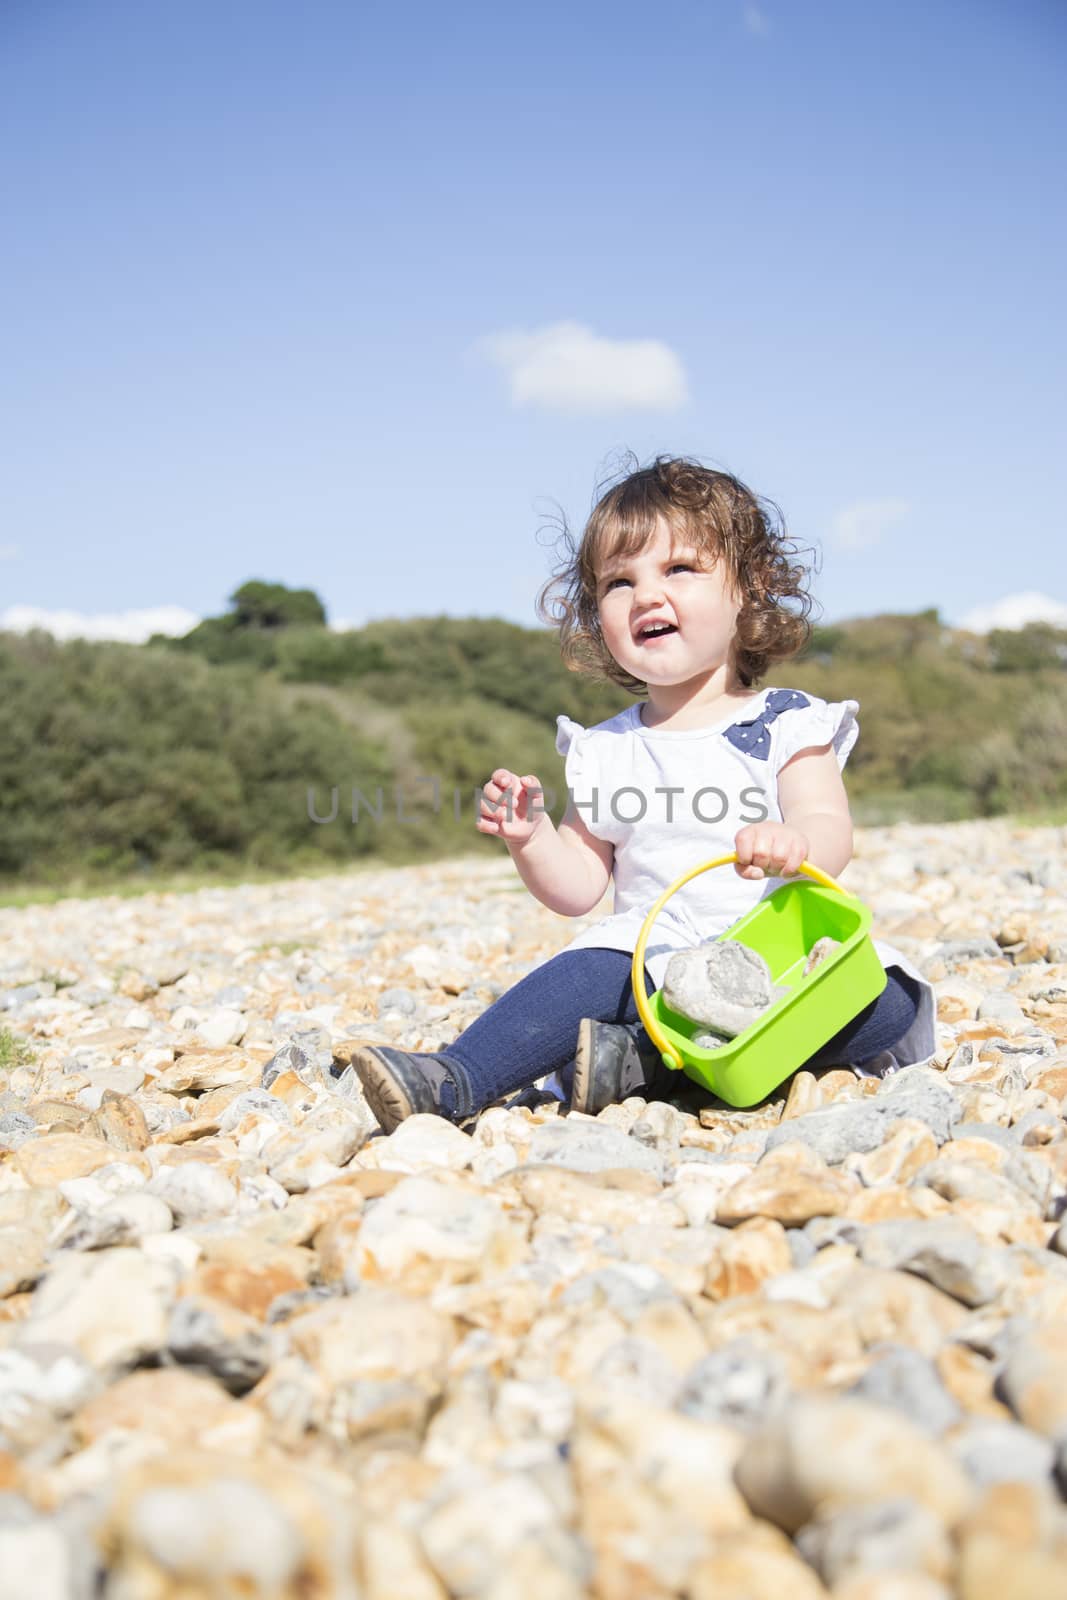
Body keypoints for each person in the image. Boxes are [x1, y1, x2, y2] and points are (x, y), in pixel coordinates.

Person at [353, 456, 935, 1132]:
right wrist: (532, 840)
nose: (645, 596)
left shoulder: (786, 720)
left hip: (775, 961)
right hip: (654, 960)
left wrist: (794, 842)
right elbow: (578, 887)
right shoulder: (606, 750)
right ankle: (454, 1079)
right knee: (586, 969)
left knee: (886, 1000)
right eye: (617, 583)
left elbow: (827, 823)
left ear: (748, 585)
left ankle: (645, 1065)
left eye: (678, 569)